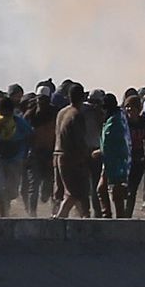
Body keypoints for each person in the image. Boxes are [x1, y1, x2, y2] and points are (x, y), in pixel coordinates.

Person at [53, 85, 93, 219]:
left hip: (58, 156)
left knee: (75, 193)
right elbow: (79, 140)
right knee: (74, 193)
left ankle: (84, 219)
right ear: (83, 97)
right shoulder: (77, 115)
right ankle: (60, 218)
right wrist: (86, 156)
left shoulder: (62, 112)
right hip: (71, 158)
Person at [0, 97, 33, 217]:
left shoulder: (20, 123)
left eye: (6, 112)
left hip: (15, 159)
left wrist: (27, 154)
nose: (4, 115)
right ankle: (3, 214)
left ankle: (4, 205)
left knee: (13, 191)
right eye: (1, 112)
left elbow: (30, 136)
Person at [96, 94, 131, 218]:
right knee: (101, 189)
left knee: (116, 192)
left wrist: (100, 152)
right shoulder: (117, 118)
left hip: (117, 162)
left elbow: (110, 143)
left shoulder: (115, 122)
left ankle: (119, 219)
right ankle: (107, 216)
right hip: (110, 161)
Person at [121, 95, 145, 218]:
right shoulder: (123, 122)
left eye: (133, 107)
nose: (130, 109)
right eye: (128, 107)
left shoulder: (144, 122)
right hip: (125, 160)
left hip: (138, 160)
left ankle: (127, 215)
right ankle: (121, 213)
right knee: (123, 188)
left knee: (133, 189)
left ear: (139, 108)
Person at [23, 92, 56, 216]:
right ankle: (32, 214)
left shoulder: (54, 114)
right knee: (34, 185)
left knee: (49, 186)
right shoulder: (30, 116)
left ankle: (54, 212)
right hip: (35, 154)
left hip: (49, 153)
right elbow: (25, 137)